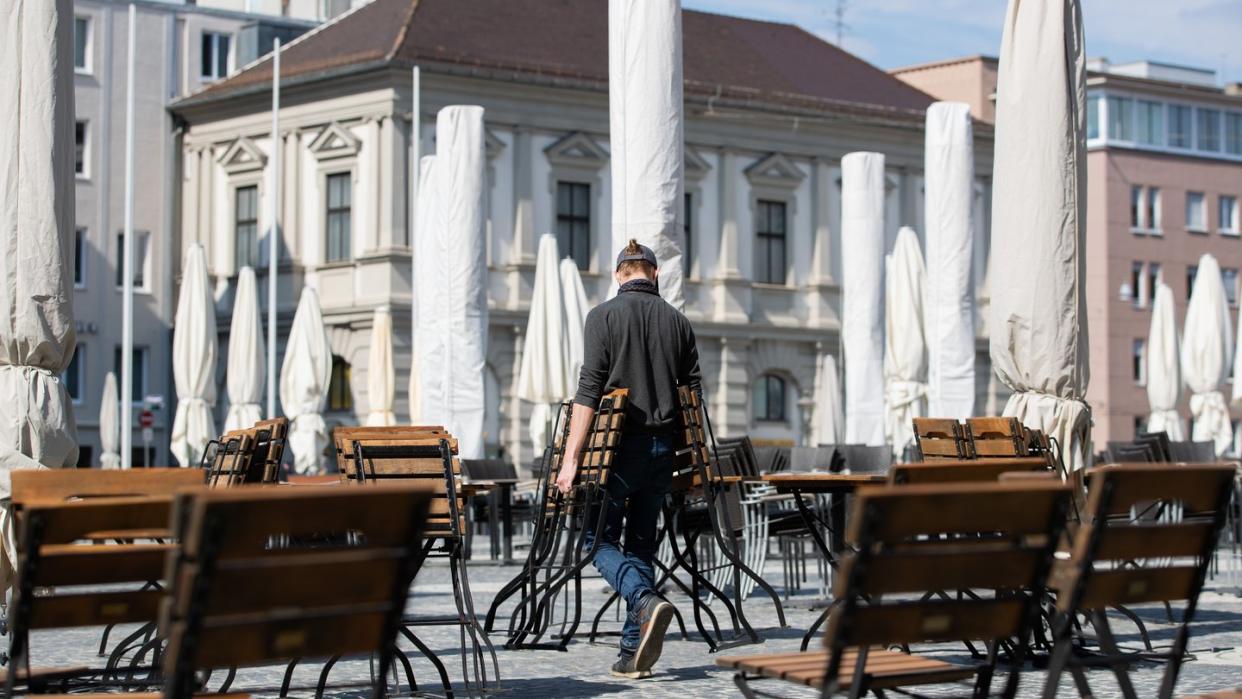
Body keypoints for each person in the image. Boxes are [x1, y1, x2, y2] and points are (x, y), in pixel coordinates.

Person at [556, 239, 701, 679]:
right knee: (641, 545)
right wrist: (695, 461)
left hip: (616, 451)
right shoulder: (679, 322)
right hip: (663, 451)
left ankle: (643, 600)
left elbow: (588, 391)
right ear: (653, 273)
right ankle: (631, 654)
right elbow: (692, 396)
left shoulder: (601, 317)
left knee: (593, 541)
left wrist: (570, 459)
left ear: (619, 274)